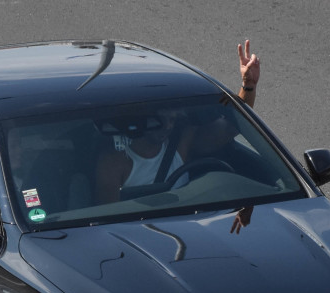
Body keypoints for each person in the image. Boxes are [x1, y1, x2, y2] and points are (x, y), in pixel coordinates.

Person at [95, 39, 261, 203]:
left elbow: (233, 127)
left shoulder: (180, 143)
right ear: (143, 118)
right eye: (160, 120)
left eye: (172, 120)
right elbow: (107, 215)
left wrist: (248, 85)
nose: (167, 126)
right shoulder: (115, 162)